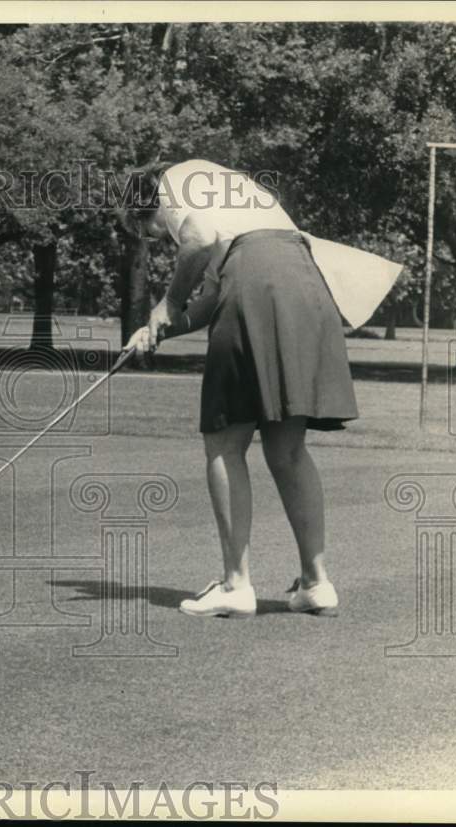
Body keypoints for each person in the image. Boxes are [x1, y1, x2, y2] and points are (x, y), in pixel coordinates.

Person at [124, 159, 365, 619]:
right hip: (303, 280)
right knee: (286, 447)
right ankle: (316, 583)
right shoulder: (232, 198)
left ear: (146, 206)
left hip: (257, 279)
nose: (157, 238)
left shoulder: (175, 181)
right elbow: (214, 296)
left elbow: (196, 240)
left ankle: (236, 585)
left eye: (148, 231)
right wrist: (159, 329)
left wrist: (169, 300)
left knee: (224, 439)